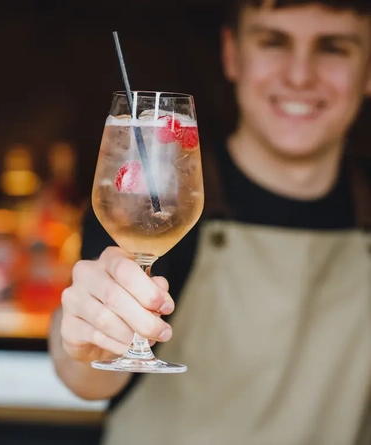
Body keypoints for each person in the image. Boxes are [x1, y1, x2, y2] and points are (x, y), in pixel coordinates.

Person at [49, 1, 371, 444]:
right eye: (273, 42)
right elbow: (87, 378)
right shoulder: (155, 201)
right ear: (232, 54)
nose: (300, 75)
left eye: (332, 48)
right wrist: (86, 342)